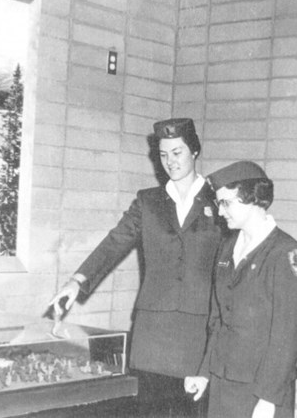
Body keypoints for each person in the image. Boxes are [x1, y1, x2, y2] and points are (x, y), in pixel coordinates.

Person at [49, 118, 222, 417]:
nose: (170, 161)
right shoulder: (148, 201)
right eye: (164, 155)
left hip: (197, 334)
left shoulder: (219, 200)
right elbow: (115, 241)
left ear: (194, 151)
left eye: (178, 152)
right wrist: (77, 281)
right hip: (152, 335)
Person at [184, 160, 297, 418]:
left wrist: (268, 398)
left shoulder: (285, 253)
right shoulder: (227, 247)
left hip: (261, 388)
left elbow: (287, 334)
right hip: (223, 381)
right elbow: (218, 320)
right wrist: (205, 373)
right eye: (219, 203)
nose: (220, 212)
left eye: (226, 203)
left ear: (253, 200)